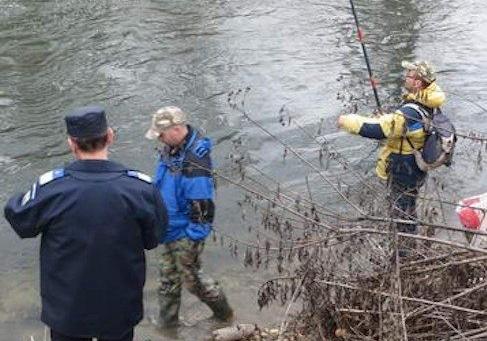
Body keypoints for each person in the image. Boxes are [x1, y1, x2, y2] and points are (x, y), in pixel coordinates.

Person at [4, 106, 167, 341]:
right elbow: (154, 239)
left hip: (67, 310)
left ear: (71, 143)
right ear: (110, 136)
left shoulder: (51, 189)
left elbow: (21, 220)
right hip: (120, 307)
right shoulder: (141, 188)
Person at [337, 61, 445, 244]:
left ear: (418, 82)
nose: (405, 77)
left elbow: (378, 130)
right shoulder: (429, 102)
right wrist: (389, 119)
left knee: (401, 213)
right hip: (417, 165)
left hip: (404, 168)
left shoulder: (411, 110)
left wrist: (346, 121)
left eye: (409, 75)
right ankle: (410, 242)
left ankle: (404, 255)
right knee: (408, 208)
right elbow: (403, 127)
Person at [145, 106, 233, 329]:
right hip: (168, 227)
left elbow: (202, 208)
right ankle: (167, 325)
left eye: (161, 134)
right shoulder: (171, 149)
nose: (159, 139)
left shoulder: (194, 162)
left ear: (175, 129)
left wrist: (192, 237)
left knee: (192, 279)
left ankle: (225, 315)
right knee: (167, 278)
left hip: (185, 233)